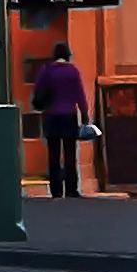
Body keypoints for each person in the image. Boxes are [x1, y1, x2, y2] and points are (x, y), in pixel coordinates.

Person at [33, 42, 89, 197]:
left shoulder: (47, 71)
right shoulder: (73, 72)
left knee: (54, 154)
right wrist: (84, 114)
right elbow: (80, 94)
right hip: (69, 115)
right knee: (70, 153)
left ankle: (56, 190)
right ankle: (71, 188)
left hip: (51, 115)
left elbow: (38, 91)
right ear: (67, 55)